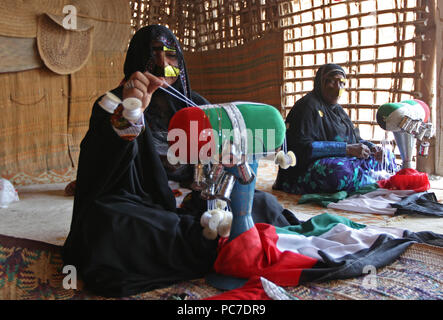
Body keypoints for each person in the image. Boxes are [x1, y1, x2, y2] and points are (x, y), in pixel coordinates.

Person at [62, 25, 292, 298]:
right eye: (153, 53)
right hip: (142, 204)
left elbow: (221, 160)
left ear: (179, 62)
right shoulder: (113, 103)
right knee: (108, 226)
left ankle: (212, 244)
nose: (162, 62)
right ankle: (228, 246)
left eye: (171, 55)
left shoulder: (196, 105)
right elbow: (98, 165)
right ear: (136, 58)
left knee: (261, 203)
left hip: (197, 203)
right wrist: (132, 113)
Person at [273, 63, 397, 195]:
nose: (338, 88)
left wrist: (372, 148)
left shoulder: (338, 110)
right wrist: (347, 149)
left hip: (345, 159)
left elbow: (355, 139)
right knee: (339, 171)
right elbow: (302, 148)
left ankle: (368, 178)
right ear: (320, 82)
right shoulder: (307, 107)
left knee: (386, 157)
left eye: (342, 83)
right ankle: (372, 178)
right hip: (305, 169)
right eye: (332, 82)